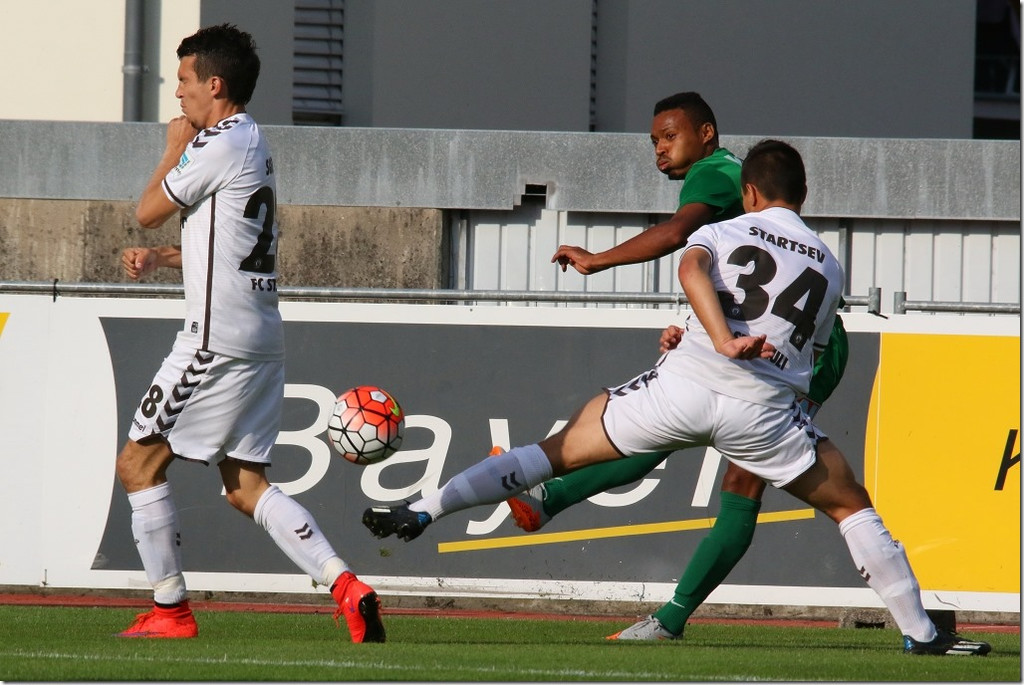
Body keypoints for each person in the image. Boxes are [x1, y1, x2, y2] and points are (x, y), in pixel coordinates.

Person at [362, 140, 991, 656]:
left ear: (749, 192)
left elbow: (691, 271)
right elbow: (807, 349)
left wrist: (713, 337)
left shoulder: (725, 228)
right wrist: (743, 353)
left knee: (553, 451)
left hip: (683, 389)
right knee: (851, 506)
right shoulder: (829, 264)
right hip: (763, 415)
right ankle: (921, 633)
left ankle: (425, 508)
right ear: (803, 195)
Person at [505, 91, 849, 640]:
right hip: (755, 343)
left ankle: (668, 617)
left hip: (796, 352)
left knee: (741, 480)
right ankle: (553, 502)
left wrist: (597, 259)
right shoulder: (731, 176)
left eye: (670, 136)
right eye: (653, 142)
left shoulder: (715, 174)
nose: (660, 150)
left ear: (706, 134)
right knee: (662, 429)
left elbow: (675, 235)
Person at [115, 23, 384, 643]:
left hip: (213, 342)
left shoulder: (214, 143)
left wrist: (173, 148)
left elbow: (148, 210)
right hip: (260, 339)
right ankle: (346, 586)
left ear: (214, 84)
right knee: (245, 487)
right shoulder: (251, 140)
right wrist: (161, 260)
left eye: (184, 80)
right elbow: (228, 243)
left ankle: (170, 611)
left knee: (137, 465)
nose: (177, 94)